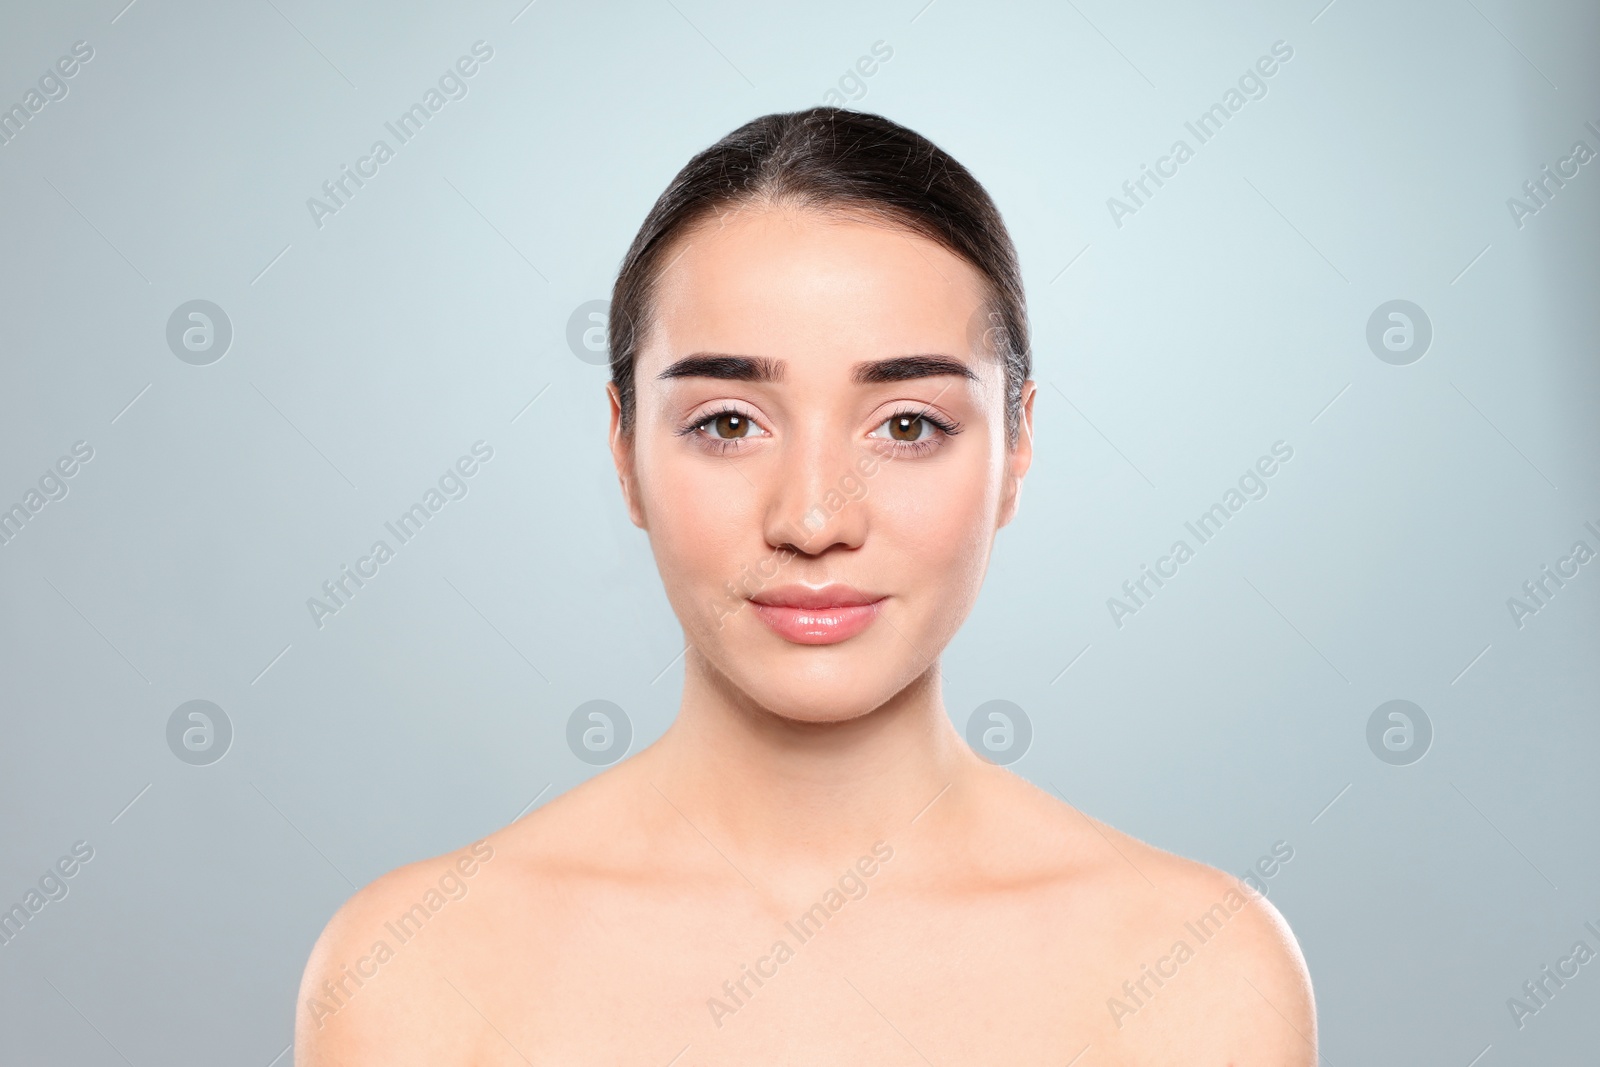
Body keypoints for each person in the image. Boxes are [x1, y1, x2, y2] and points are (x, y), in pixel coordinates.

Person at [296, 106, 1315, 1064]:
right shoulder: (411, 971)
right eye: (728, 422)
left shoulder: (1198, 975)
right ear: (623, 448)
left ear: (1017, 447)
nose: (814, 520)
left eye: (908, 423)